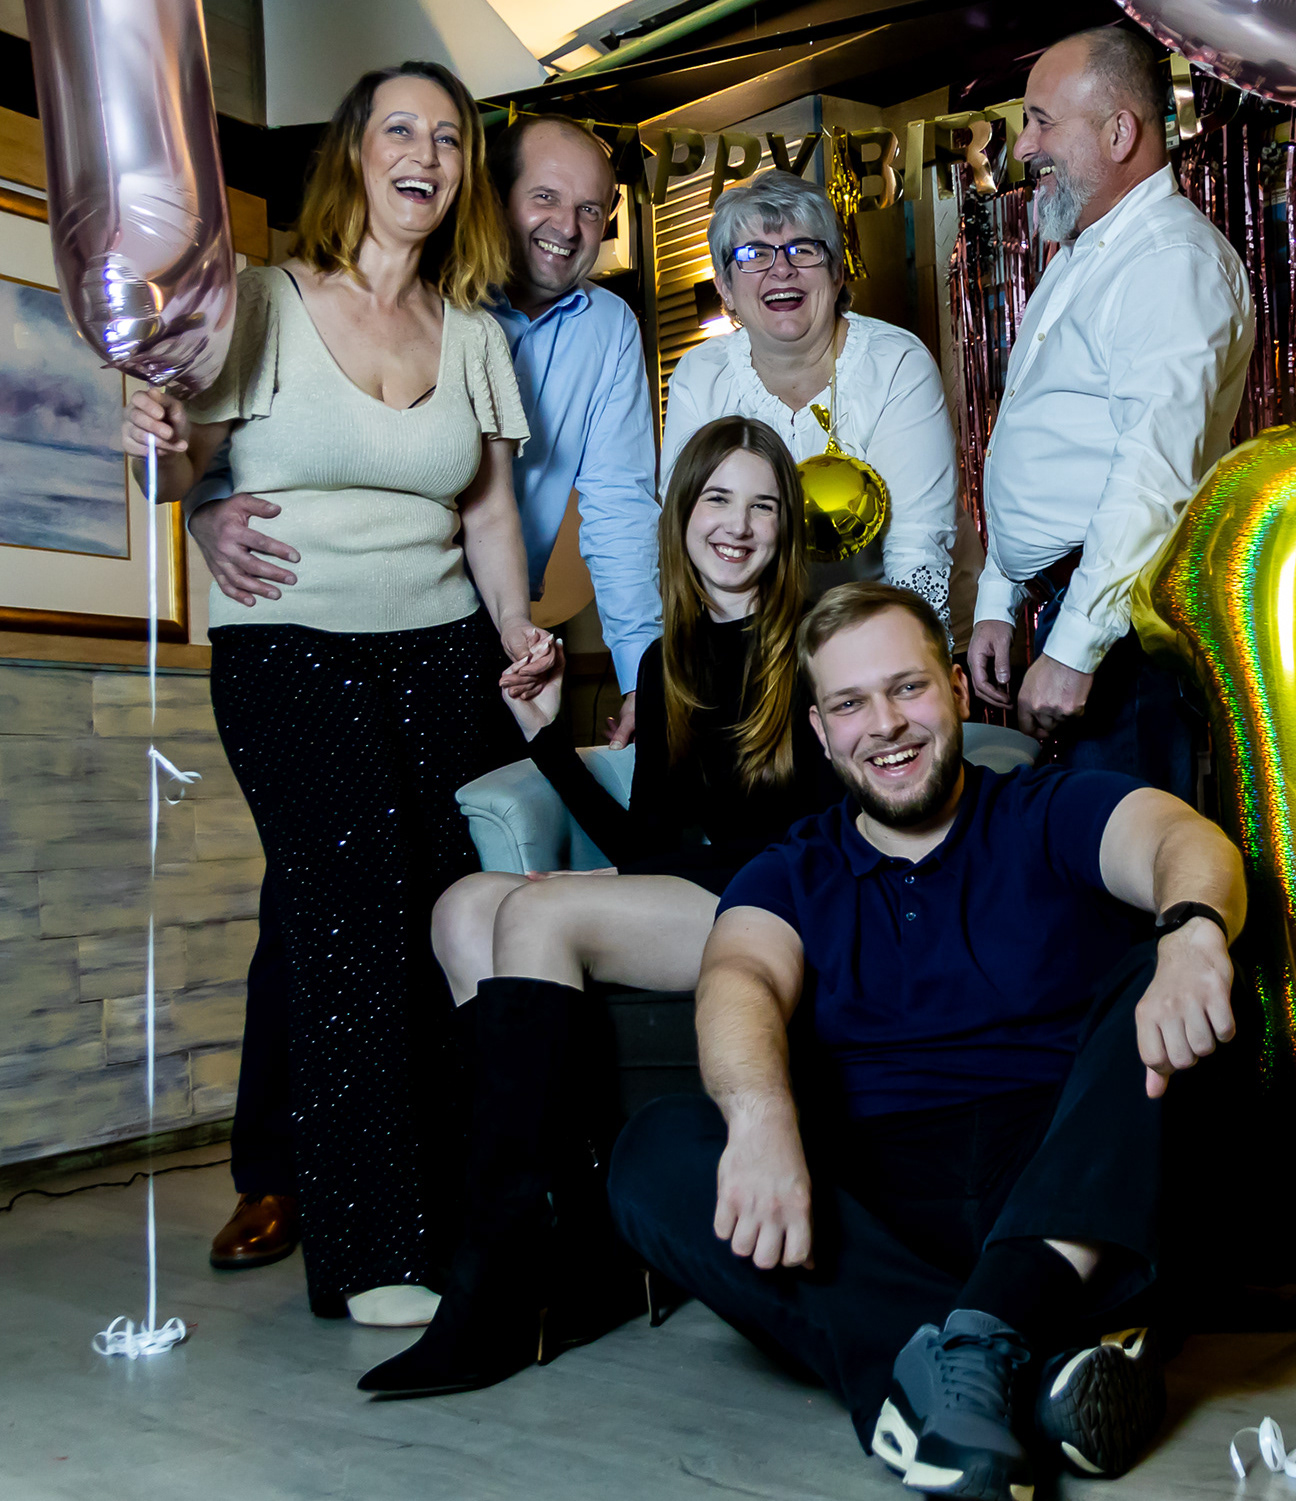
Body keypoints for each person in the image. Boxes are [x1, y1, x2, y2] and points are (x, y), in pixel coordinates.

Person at [608, 583, 1247, 1499]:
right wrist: (758, 1118)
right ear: (821, 731)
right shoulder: (792, 869)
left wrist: (1190, 932)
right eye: (850, 703)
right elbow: (738, 977)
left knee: (1170, 975)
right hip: (876, 1203)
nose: (885, 725)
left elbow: (1180, 838)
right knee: (654, 1151)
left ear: (954, 688)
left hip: (1063, 1181)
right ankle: (1032, 1358)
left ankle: (952, 1362)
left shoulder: (1044, 808)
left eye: (906, 688)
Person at [121, 61, 560, 1326]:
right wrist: (162, 455)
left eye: (451, 136)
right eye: (400, 129)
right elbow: (177, 475)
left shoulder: (473, 333)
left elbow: (488, 512)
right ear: (354, 155)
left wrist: (517, 635)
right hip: (289, 647)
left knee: (449, 913)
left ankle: (456, 1212)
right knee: (348, 909)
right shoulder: (259, 301)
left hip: (441, 651)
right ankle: (370, 1247)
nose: (427, 152)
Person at [201, 111, 660, 1276]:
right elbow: (241, 430)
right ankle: (280, 1169)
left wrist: (645, 672)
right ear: (492, 197)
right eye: (545, 198)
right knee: (320, 891)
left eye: (593, 211)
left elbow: (614, 503)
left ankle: (442, 1169)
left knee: (454, 882)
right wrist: (204, 511)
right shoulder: (406, 288)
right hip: (337, 628)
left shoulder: (606, 328)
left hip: (478, 631)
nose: (568, 228)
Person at [358, 416, 844, 1398]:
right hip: (698, 890)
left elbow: (821, 834)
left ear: (787, 527)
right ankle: (574, 1233)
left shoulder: (818, 642)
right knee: (465, 907)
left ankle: (493, 1279)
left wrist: (590, 896)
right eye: (718, 498)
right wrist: (545, 734)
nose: (738, 525)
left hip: (791, 901)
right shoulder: (667, 661)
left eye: (763, 505)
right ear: (684, 513)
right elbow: (647, 842)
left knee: (540, 916)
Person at [967, 27, 1253, 803]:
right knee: (1079, 856)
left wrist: (1075, 647)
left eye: (1041, 122)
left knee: (1124, 855)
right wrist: (999, 597)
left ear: (1120, 133)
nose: (1024, 147)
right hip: (1071, 610)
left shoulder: (1168, 260)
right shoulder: (1085, 251)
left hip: (1119, 634)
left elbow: (1151, 472)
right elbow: (1050, 442)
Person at [662, 170, 957, 627]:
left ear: (837, 272)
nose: (781, 269)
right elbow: (685, 530)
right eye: (754, 254)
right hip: (747, 631)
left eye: (803, 249)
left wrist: (903, 655)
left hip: (873, 627)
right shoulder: (700, 374)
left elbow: (916, 546)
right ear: (725, 287)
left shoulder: (896, 363)